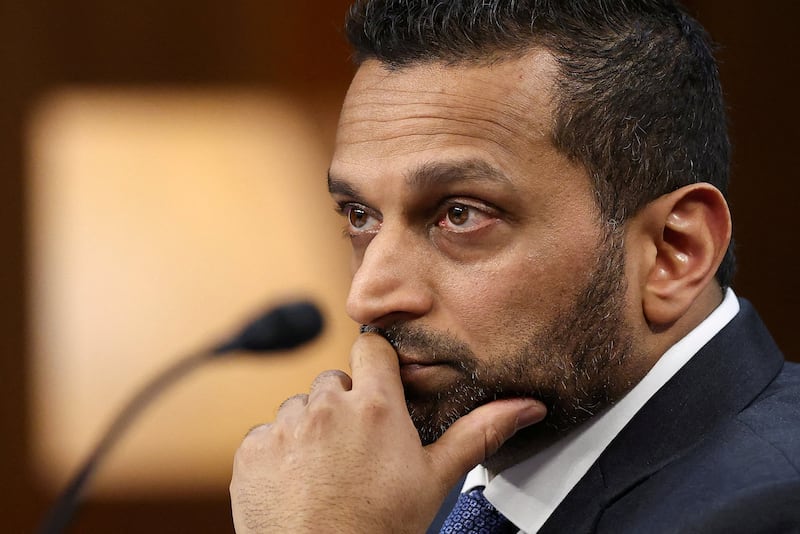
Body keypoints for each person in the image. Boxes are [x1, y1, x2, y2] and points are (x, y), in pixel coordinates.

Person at [229, 1, 800, 532]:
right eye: (360, 216)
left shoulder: (769, 508)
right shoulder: (402, 492)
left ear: (675, 253)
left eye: (460, 214)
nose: (368, 296)